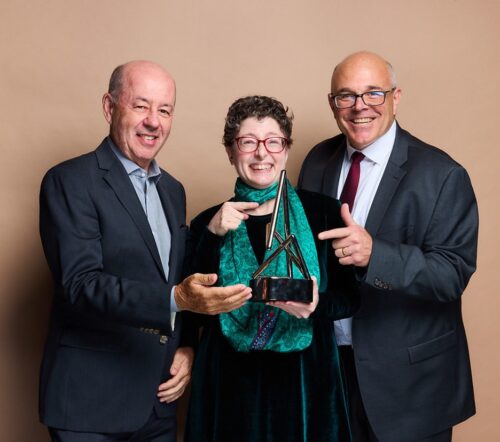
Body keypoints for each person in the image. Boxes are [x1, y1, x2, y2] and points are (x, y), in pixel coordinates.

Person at [38, 60, 252, 442]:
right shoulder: (69, 181)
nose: (153, 121)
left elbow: (177, 278)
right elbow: (80, 284)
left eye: (164, 110)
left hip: (157, 402)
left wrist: (187, 345)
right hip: (90, 405)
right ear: (109, 106)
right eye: (140, 106)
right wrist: (176, 297)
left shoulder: (173, 190)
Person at [298, 51, 478, 442]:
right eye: (345, 96)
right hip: (329, 375)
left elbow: (451, 274)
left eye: (373, 93)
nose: (359, 107)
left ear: (396, 98)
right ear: (332, 105)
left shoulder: (443, 175)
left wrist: (375, 255)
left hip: (410, 387)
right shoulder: (316, 162)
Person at [183, 95, 355, 442]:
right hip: (229, 382)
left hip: (305, 379)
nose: (262, 153)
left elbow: (352, 299)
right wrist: (212, 237)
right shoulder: (206, 223)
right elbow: (193, 310)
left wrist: (316, 305)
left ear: (286, 150)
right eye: (248, 142)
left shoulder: (323, 212)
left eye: (273, 141)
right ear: (231, 152)